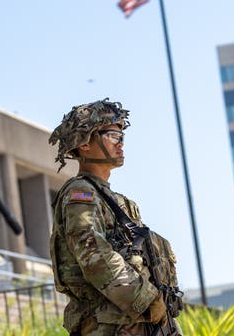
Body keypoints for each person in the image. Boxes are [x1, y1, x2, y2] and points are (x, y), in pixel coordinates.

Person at [49, 99, 182, 336]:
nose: (120, 144)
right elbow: (94, 255)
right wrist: (148, 301)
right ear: (85, 143)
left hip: (142, 324)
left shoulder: (118, 202)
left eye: (121, 137)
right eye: (112, 135)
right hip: (110, 326)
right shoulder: (81, 194)